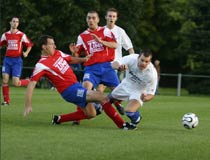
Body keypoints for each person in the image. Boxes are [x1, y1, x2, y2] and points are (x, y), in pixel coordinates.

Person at [23, 35, 134, 130]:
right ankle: (122, 125)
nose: (55, 46)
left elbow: (70, 59)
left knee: (91, 114)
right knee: (102, 97)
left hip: (76, 86)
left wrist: (84, 59)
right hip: (69, 91)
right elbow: (31, 84)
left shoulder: (57, 53)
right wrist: (28, 105)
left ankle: (59, 119)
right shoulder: (41, 65)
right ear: (44, 47)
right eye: (52, 44)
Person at [66, 10, 125, 125]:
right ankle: (77, 118)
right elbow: (78, 55)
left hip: (107, 67)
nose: (91, 20)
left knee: (120, 93)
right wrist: (74, 53)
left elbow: (114, 45)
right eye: (89, 18)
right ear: (86, 20)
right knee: (84, 90)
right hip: (91, 68)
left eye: (93, 18)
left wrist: (100, 41)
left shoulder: (106, 31)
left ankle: (105, 104)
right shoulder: (82, 36)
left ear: (98, 20)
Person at [110, 50, 158, 129]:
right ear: (138, 58)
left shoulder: (152, 74)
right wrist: (119, 67)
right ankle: (109, 105)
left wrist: (145, 98)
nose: (143, 63)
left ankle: (136, 120)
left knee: (129, 111)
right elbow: (114, 64)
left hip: (139, 91)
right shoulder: (131, 58)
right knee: (107, 99)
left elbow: (151, 94)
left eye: (146, 61)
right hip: (126, 84)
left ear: (149, 62)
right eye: (142, 60)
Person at [97, 8, 135, 92]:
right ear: (106, 17)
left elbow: (130, 48)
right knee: (100, 89)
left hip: (115, 64)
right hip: (102, 63)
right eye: (110, 16)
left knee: (115, 91)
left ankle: (113, 103)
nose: (111, 18)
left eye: (114, 16)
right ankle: (100, 105)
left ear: (116, 18)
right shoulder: (99, 31)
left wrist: (130, 63)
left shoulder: (120, 31)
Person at [0, 17, 33, 106]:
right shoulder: (5, 35)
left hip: (17, 61)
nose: (15, 23)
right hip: (7, 59)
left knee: (16, 83)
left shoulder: (21, 35)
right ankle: (6, 101)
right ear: (10, 23)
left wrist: (26, 52)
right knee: (5, 80)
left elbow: (29, 45)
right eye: (13, 21)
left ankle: (29, 81)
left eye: (17, 22)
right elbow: (1, 44)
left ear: (18, 24)